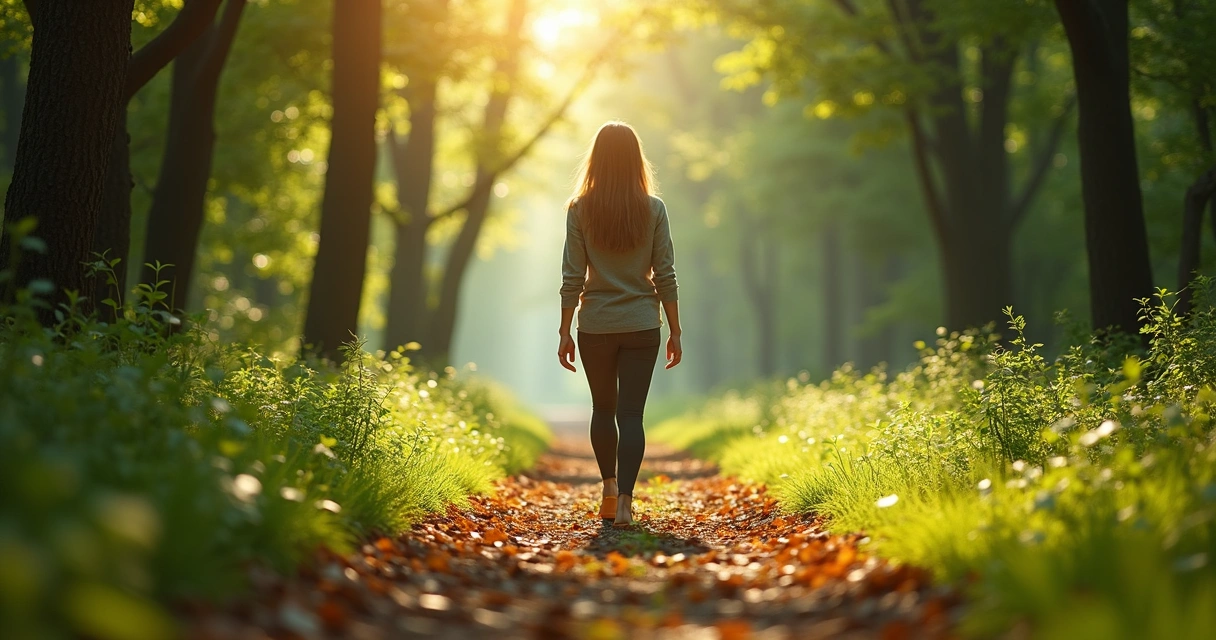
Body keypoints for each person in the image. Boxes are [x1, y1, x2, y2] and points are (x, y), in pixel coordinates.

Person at [557, 121, 682, 528]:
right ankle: (627, 503)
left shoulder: (580, 209)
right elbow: (665, 274)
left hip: (595, 325)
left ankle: (609, 490)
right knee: (631, 415)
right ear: (635, 159)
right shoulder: (654, 208)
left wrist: (564, 330)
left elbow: (572, 277)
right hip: (642, 325)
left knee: (602, 409)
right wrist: (675, 330)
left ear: (596, 159)